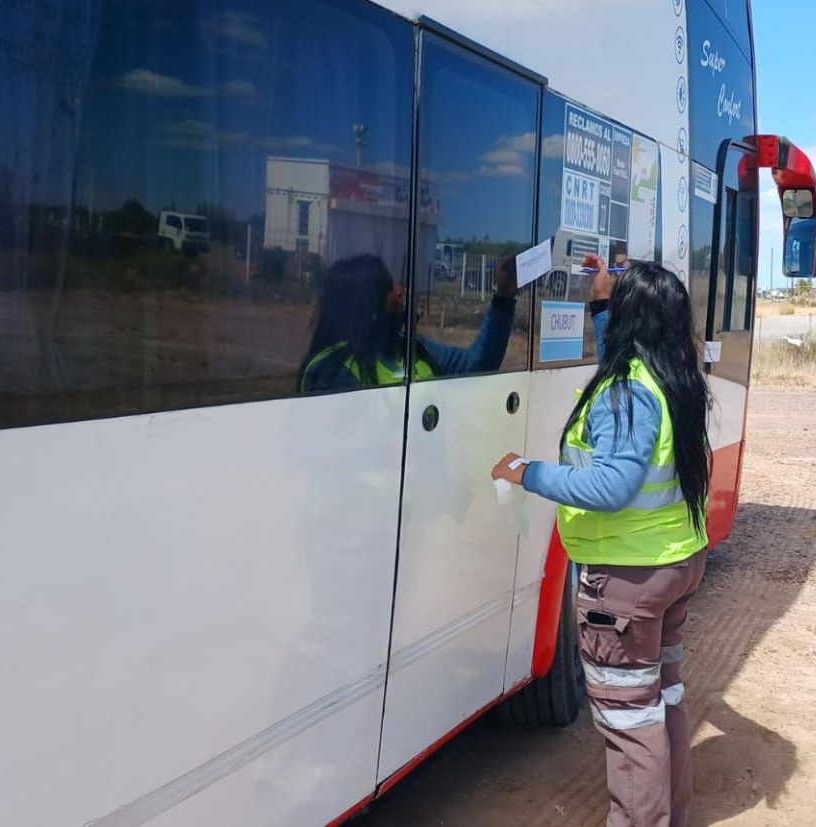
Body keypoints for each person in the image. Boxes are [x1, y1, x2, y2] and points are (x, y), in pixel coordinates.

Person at [491, 255, 712, 827]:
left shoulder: (625, 391)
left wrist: (527, 472)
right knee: (662, 702)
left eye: (614, 303)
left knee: (630, 724)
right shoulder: (673, 373)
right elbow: (617, 353)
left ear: (629, 318)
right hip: (675, 564)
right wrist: (598, 300)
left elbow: (611, 484)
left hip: (627, 582)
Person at [298, 253, 518, 392]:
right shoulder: (330, 373)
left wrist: (504, 296)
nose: (400, 289)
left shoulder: (414, 349)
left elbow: (479, 364)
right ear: (367, 305)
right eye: (388, 287)